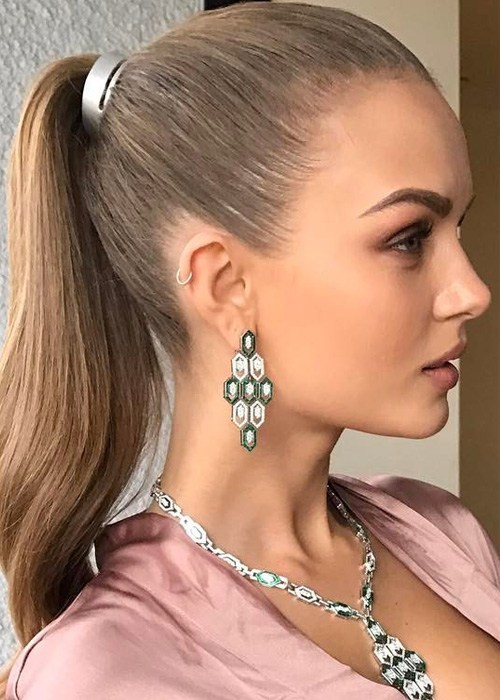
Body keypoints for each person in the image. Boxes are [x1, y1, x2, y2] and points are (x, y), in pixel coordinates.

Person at [0, 1, 499, 698]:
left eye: (458, 229)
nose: (472, 291)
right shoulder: (106, 671)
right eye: (409, 238)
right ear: (225, 284)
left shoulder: (440, 530)